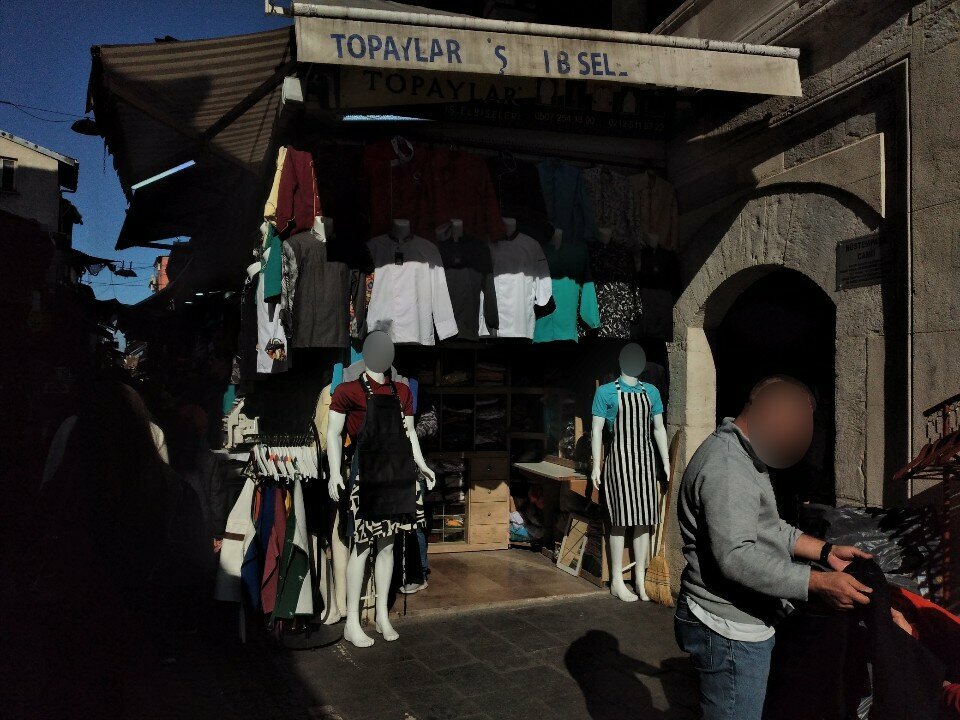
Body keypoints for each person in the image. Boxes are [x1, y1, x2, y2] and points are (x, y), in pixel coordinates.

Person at [675, 375, 874, 720]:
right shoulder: (729, 467)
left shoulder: (745, 455)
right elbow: (736, 557)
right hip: (728, 630)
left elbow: (769, 528)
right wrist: (817, 583)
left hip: (744, 621)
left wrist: (826, 552)